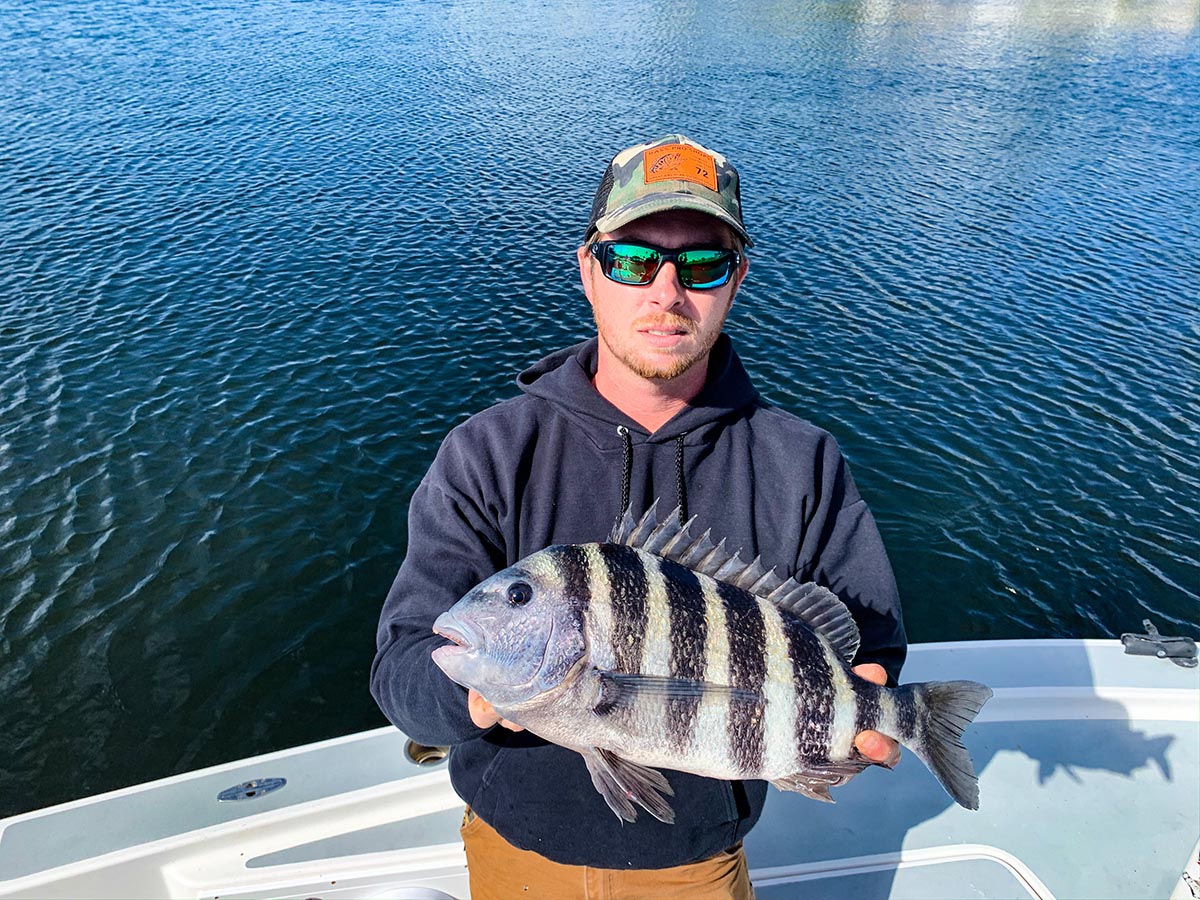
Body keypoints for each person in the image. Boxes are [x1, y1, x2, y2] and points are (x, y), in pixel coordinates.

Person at [370, 135, 907, 899]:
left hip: (696, 865)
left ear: (736, 280)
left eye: (702, 265)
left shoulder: (801, 460)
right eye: (631, 261)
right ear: (589, 271)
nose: (665, 292)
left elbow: (870, 634)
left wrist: (860, 706)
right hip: (512, 850)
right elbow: (400, 672)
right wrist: (486, 692)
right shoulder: (487, 453)